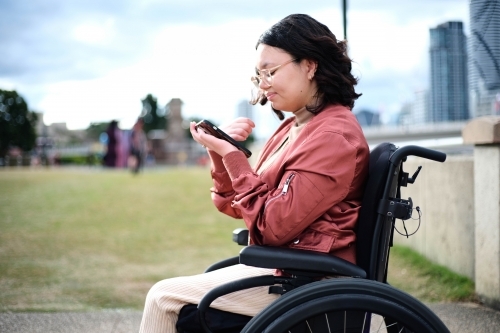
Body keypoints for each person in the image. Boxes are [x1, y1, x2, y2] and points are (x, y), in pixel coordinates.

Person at [139, 14, 369, 332]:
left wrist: (234, 156)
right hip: (289, 269)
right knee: (166, 296)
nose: (263, 84)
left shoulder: (332, 135)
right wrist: (220, 154)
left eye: (271, 72)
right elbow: (237, 206)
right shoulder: (294, 126)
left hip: (313, 282)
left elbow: (272, 226)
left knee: (163, 299)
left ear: (310, 65)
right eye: (258, 75)